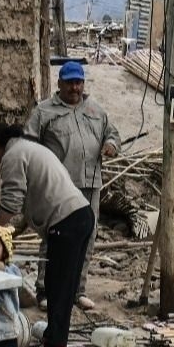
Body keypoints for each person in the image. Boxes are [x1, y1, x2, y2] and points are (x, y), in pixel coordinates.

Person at [0, 122, 93, 347]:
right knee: (65, 285)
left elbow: (11, 202)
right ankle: (57, 338)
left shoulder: (12, 156)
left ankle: (55, 345)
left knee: (57, 284)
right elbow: (28, 206)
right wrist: (9, 234)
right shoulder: (28, 148)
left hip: (66, 220)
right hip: (81, 214)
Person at [25, 60, 120, 312]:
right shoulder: (44, 112)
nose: (74, 88)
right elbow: (29, 145)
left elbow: (112, 134)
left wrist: (110, 145)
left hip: (90, 186)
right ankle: (45, 290)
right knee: (54, 237)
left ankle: (78, 291)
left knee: (86, 238)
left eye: (78, 82)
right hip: (58, 188)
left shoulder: (96, 110)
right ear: (59, 84)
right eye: (69, 83)